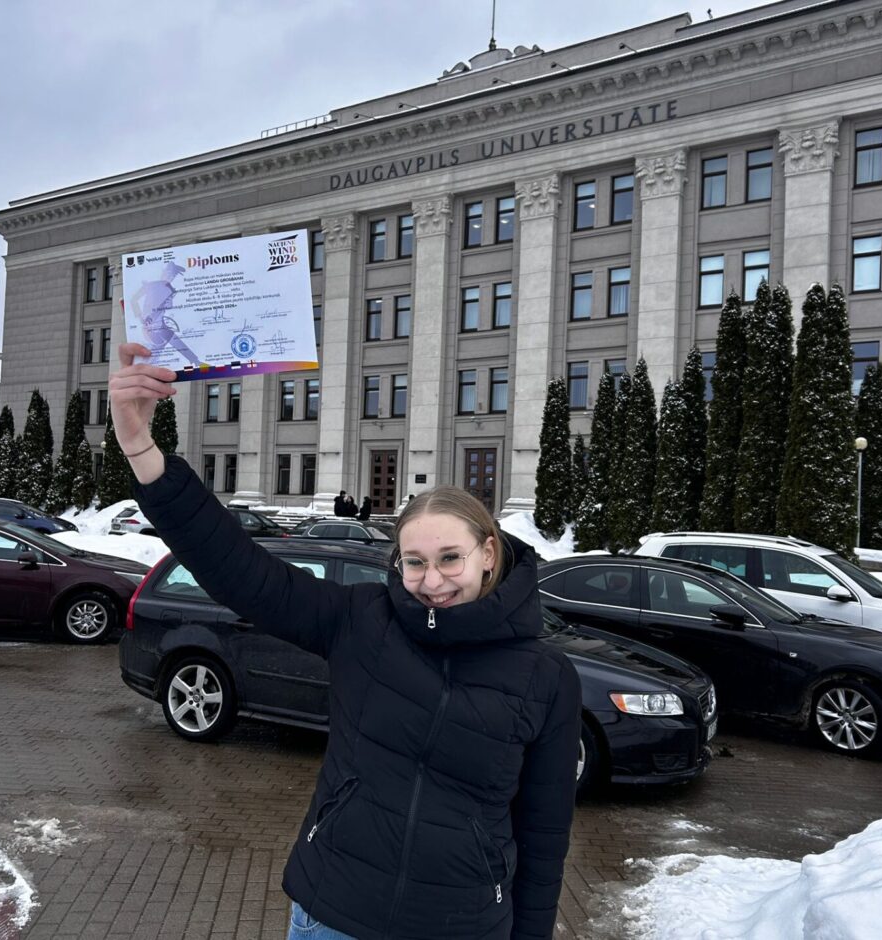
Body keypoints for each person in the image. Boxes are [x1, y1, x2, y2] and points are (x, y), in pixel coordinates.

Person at [109, 342, 581, 940]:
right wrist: (141, 450)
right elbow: (240, 569)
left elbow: (544, 838)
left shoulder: (545, 678)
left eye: (450, 558)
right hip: (331, 913)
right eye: (414, 562)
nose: (431, 581)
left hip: (460, 926)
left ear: (488, 553)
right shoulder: (363, 622)